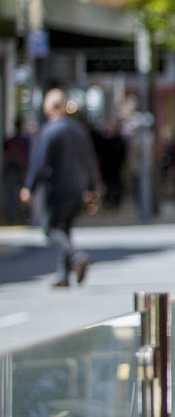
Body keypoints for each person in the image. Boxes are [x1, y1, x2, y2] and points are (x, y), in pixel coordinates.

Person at [20, 89, 99, 288]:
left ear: (52, 107)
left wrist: (29, 187)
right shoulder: (79, 130)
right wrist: (92, 187)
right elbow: (89, 161)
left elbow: (40, 163)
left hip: (57, 189)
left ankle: (76, 256)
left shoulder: (50, 131)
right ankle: (64, 275)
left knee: (51, 230)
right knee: (65, 229)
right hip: (78, 189)